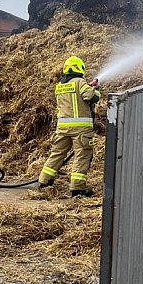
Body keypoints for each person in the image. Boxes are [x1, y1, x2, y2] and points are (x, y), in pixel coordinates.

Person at [38, 56, 101, 198]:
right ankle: (77, 188)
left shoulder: (60, 85)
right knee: (82, 155)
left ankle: (44, 181)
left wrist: (88, 87)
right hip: (80, 129)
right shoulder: (80, 82)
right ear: (80, 68)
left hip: (62, 128)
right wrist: (96, 89)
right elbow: (91, 97)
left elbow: (75, 98)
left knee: (57, 154)